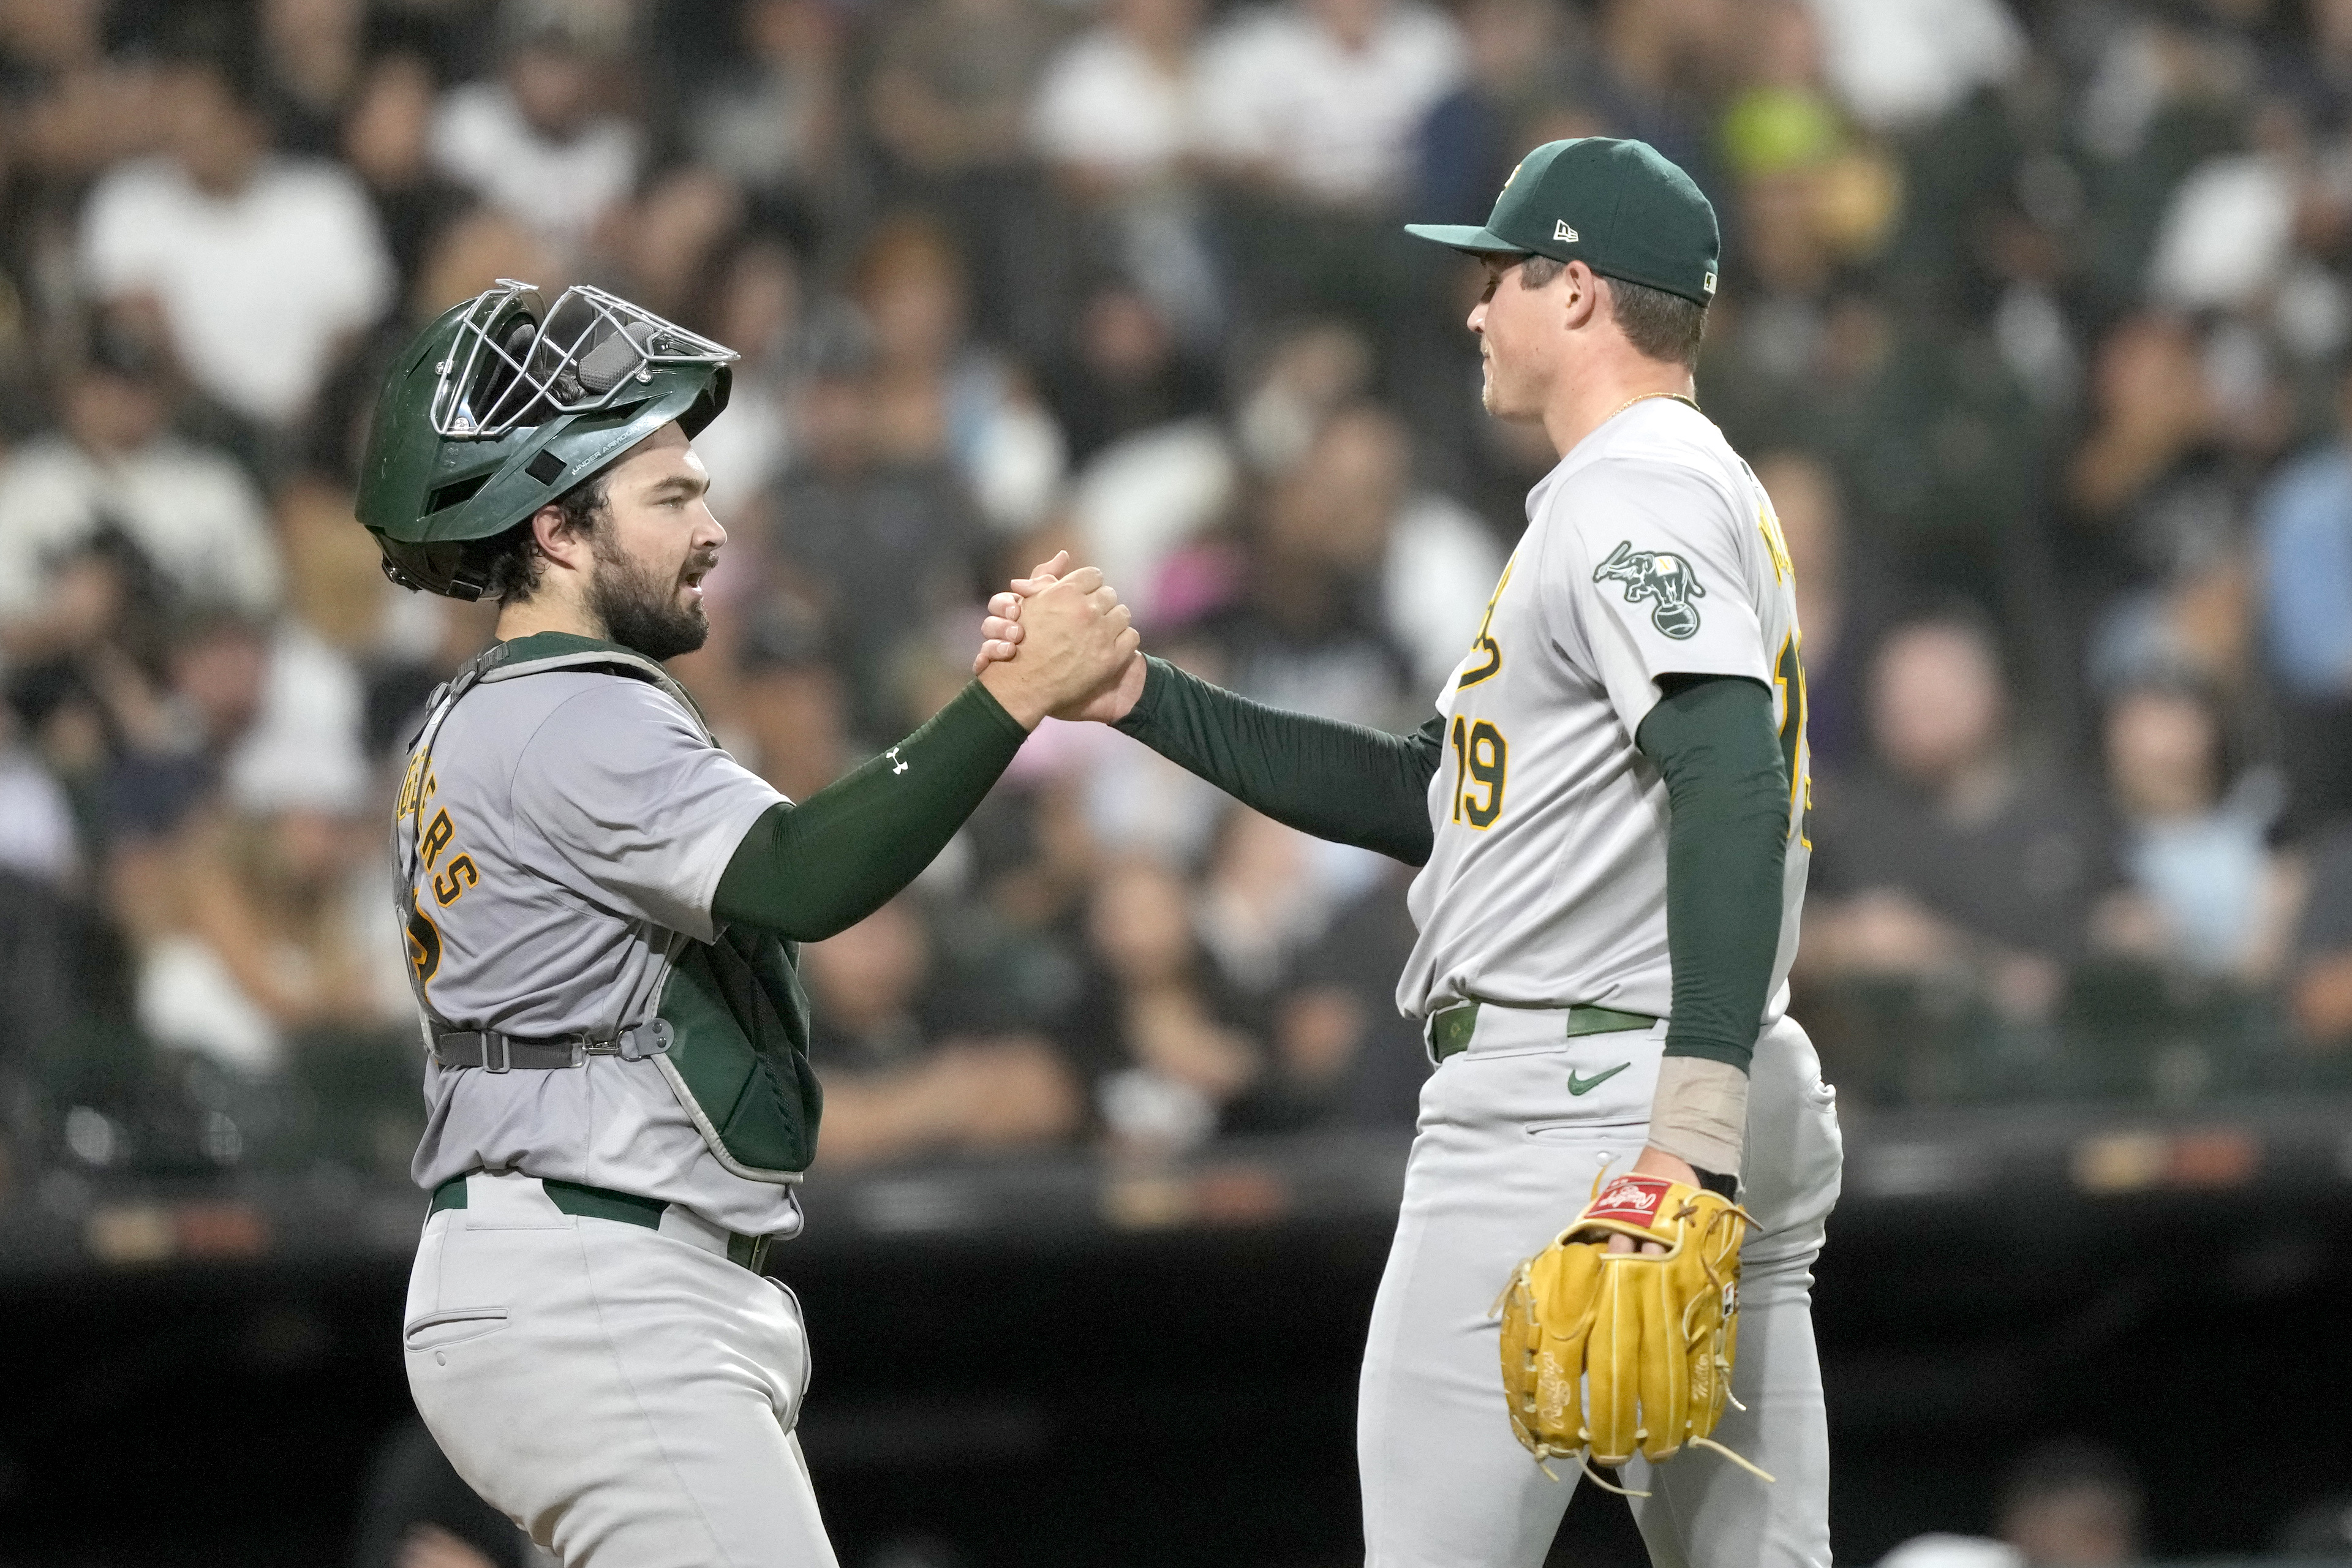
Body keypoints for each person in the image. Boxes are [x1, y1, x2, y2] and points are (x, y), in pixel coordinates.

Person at [981, 137, 1840, 1567]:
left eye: (1499, 274)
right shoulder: (1651, 488)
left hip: (1582, 1098)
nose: (1473, 308)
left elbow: (1731, 778)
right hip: (1679, 1070)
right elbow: (1422, 793)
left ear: (1576, 291)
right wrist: (1140, 695)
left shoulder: (1638, 484)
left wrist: (1684, 1128)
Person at [355, 279, 1136, 1567]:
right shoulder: (574, 711)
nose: (714, 527)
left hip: (559, 1260)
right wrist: (1010, 694)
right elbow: (801, 873)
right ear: (555, 526)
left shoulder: (488, 708)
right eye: (670, 498)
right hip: (597, 1276)